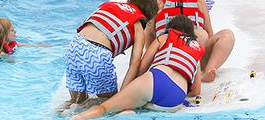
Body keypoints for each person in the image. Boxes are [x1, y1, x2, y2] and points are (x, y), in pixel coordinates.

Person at [74, 15, 204, 119]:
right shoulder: (197, 49)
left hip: (157, 78)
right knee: (140, 107)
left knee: (105, 108)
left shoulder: (165, 37)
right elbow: (196, 90)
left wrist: (128, 89)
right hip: (175, 98)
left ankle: (77, 118)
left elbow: (142, 67)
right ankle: (128, 112)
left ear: (171, 28)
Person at [61, 0, 160, 111]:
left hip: (75, 46)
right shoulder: (138, 24)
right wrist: (122, 95)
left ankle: (56, 114)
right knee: (110, 105)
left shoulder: (109, 5)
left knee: (76, 101)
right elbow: (135, 64)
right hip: (96, 53)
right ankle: (79, 111)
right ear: (149, 14)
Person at [152, 0, 235, 84]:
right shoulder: (159, 1)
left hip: (198, 54)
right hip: (171, 56)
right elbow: (149, 35)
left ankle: (208, 71)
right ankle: (191, 74)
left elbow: (210, 33)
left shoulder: (198, 1)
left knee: (227, 35)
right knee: (200, 34)